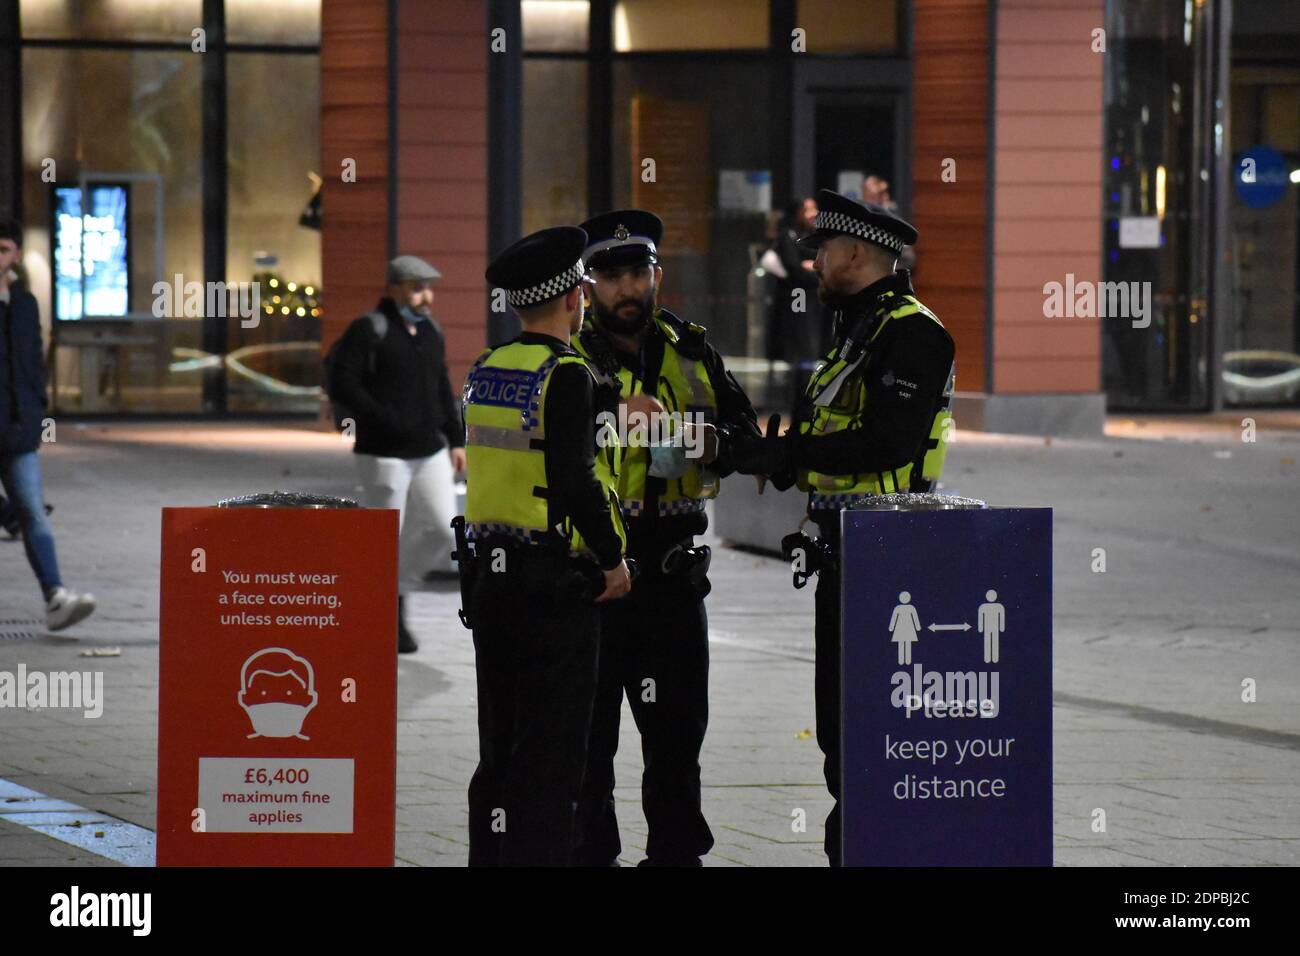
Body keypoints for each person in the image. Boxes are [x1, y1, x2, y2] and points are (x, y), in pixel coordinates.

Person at [729, 189, 956, 866]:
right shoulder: (859, 329)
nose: (814, 265)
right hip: (847, 549)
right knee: (842, 731)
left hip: (891, 552)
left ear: (856, 252)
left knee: (869, 729)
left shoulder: (913, 333)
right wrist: (774, 454)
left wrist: (790, 455)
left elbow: (887, 442)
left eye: (823, 252)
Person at [571, 210, 761, 867]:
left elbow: (746, 439)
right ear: (588, 284)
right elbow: (513, 426)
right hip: (593, 576)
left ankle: (677, 857)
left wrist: (710, 442)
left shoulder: (691, 350)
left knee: (677, 742)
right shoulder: (565, 357)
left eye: (636, 273)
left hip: (674, 576)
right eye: (610, 275)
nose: (626, 289)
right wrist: (608, 413)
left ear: (657, 275)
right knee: (589, 748)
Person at [464, 225, 633, 866]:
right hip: (553, 587)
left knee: (499, 746)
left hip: (490, 578)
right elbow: (576, 479)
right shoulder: (566, 374)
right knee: (554, 753)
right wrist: (614, 557)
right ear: (572, 300)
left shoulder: (487, 369)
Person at [329, 254, 465, 654]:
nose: (427, 296)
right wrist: (383, 419)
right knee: (383, 540)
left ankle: (397, 591)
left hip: (429, 451)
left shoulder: (430, 333)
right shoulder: (369, 329)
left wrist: (455, 439)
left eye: (429, 288)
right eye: (417, 287)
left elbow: (442, 385)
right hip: (382, 454)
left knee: (444, 530)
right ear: (394, 288)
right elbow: (344, 383)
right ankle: (386, 616)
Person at [0, 216, 95, 631]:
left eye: (3, 249)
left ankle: (55, 596)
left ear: (16, 254)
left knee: (33, 513)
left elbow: (33, 364)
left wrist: (37, 411)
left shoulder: (24, 303)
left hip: (18, 430)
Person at [769, 197, 826, 408]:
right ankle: (797, 398)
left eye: (814, 208)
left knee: (809, 347)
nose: (813, 213)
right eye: (808, 209)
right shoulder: (788, 236)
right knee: (801, 343)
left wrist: (813, 267)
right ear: (797, 213)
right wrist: (812, 270)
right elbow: (796, 270)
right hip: (797, 299)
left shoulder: (809, 237)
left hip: (811, 301)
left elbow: (819, 263)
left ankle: (806, 393)